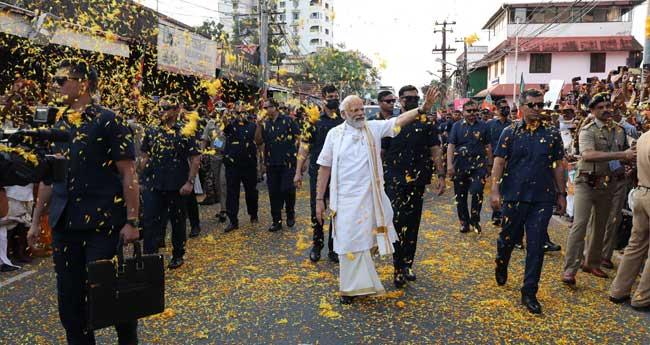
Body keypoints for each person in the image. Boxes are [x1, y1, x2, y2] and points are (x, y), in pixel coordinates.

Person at [27, 58, 140, 344]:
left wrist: (132, 221)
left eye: (62, 80)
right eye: (55, 80)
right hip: (65, 223)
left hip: (103, 222)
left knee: (107, 292)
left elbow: (128, 173)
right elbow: (50, 177)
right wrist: (35, 220)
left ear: (83, 83)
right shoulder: (58, 122)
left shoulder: (108, 120)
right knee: (70, 299)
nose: (56, 85)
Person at [315, 87, 441, 304]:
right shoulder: (333, 135)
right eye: (353, 110)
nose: (359, 113)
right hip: (343, 200)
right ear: (343, 114)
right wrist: (319, 199)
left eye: (361, 108)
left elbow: (399, 121)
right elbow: (324, 166)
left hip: (369, 198)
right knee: (346, 242)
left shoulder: (372, 129)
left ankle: (360, 286)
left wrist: (422, 109)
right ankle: (348, 289)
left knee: (364, 241)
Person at [491, 89, 566, 314]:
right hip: (514, 196)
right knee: (508, 238)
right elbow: (499, 162)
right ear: (522, 107)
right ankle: (501, 261)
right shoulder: (509, 132)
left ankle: (529, 291)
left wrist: (561, 193)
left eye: (540, 105)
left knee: (536, 246)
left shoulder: (552, 134)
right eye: (532, 105)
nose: (536, 109)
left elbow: (557, 165)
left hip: (542, 199)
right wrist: (495, 190)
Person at [562, 93, 636, 285]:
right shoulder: (588, 130)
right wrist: (622, 154)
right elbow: (588, 154)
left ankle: (592, 263)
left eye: (608, 106)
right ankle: (570, 269)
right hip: (586, 183)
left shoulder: (619, 130)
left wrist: (625, 164)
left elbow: (619, 157)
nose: (606, 110)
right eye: (601, 107)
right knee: (580, 225)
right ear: (593, 111)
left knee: (600, 226)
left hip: (607, 183)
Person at [384, 85, 445, 288]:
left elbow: (435, 149)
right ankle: (397, 266)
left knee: (412, 223)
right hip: (394, 180)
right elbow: (381, 153)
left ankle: (407, 264)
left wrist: (441, 174)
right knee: (397, 221)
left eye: (416, 98)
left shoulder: (427, 122)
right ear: (400, 100)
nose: (413, 100)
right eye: (409, 98)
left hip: (418, 180)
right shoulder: (391, 124)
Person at [140, 95, 200, 269]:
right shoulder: (151, 130)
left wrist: (190, 182)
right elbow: (144, 155)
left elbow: (195, 158)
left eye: (166, 108)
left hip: (177, 185)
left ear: (176, 110)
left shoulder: (184, 131)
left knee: (177, 220)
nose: (162, 111)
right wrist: (138, 176)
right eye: (160, 108)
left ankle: (178, 254)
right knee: (150, 219)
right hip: (154, 183)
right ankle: (149, 256)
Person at [294, 85, 344, 263]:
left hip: (340, 173)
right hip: (318, 173)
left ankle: (334, 247)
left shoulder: (343, 119)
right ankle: (317, 245)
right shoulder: (313, 120)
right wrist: (298, 171)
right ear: (323, 98)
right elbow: (304, 146)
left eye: (336, 96)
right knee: (317, 209)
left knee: (337, 210)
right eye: (330, 96)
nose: (334, 99)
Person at [609, 130, 650, 310]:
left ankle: (618, 290)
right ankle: (642, 298)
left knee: (636, 244)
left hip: (641, 192)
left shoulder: (644, 136)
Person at [447, 100, 493, 233]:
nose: (472, 113)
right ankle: (464, 222)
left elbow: (488, 146)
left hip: (478, 167)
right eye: (469, 111)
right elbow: (451, 145)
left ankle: (475, 219)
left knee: (477, 192)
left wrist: (489, 165)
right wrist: (450, 165)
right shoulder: (456, 126)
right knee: (460, 196)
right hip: (460, 166)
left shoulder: (484, 126)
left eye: (474, 111)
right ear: (463, 112)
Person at [255, 98, 300, 232]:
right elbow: (258, 141)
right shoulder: (265, 124)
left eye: (268, 107)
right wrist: (258, 125)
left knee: (287, 189)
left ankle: (290, 213)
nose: (266, 110)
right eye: (264, 108)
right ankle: (276, 220)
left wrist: (300, 161)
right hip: (272, 163)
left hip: (288, 162)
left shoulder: (288, 120)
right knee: (273, 193)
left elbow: (299, 138)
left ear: (275, 107)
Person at [223, 103, 259, 232]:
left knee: (251, 191)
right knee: (232, 193)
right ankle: (233, 220)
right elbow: (220, 137)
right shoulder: (229, 126)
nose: (240, 115)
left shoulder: (253, 126)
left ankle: (253, 213)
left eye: (243, 112)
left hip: (249, 165)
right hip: (232, 165)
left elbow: (259, 142)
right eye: (238, 113)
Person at [486, 99, 512, 226]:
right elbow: (487, 144)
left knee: (506, 186)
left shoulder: (512, 125)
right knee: (496, 185)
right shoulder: (491, 124)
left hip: (509, 161)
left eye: (507, 107)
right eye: (503, 108)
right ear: (497, 109)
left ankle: (505, 213)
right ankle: (496, 214)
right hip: (496, 160)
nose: (506, 110)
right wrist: (489, 162)